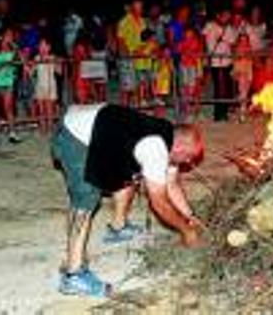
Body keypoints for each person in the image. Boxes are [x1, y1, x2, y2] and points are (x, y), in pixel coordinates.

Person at [50, 103, 205, 297]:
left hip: (102, 128)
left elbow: (171, 184)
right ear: (181, 147)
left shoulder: (168, 137)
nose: (188, 163)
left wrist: (190, 216)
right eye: (189, 158)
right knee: (86, 197)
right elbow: (160, 203)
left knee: (129, 176)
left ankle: (118, 228)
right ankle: (73, 275)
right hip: (75, 135)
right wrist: (186, 231)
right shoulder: (155, 146)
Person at [202, 10, 238, 121]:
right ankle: (218, 114)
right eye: (225, 15)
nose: (227, 18)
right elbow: (203, 39)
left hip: (227, 61)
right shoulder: (210, 25)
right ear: (218, 15)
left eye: (228, 16)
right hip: (214, 61)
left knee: (226, 88)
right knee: (219, 88)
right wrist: (205, 55)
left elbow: (233, 44)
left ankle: (224, 112)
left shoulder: (230, 29)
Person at [0, 28, 22, 144]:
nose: (9, 38)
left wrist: (17, 50)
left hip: (8, 81)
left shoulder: (14, 51)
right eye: (7, 35)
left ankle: (12, 132)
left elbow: (18, 62)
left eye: (11, 36)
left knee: (8, 107)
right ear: (2, 37)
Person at [117, 0, 147, 108]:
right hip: (127, 59)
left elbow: (144, 38)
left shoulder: (143, 21)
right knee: (127, 89)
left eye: (141, 7)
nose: (140, 9)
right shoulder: (124, 21)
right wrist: (128, 54)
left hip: (140, 58)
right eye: (137, 6)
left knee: (139, 86)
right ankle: (124, 112)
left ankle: (137, 111)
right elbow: (120, 40)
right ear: (132, 7)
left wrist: (144, 49)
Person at [31, 38, 61, 136]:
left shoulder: (53, 57)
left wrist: (56, 62)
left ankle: (50, 128)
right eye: (40, 46)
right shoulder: (36, 58)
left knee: (49, 110)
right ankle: (43, 129)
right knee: (41, 110)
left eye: (45, 46)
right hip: (40, 86)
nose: (43, 48)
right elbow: (31, 72)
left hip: (50, 85)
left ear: (49, 47)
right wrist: (29, 66)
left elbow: (59, 72)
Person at [179, 28, 203, 121]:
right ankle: (187, 111)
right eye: (187, 34)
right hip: (185, 67)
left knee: (196, 89)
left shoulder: (197, 42)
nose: (188, 36)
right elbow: (179, 50)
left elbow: (198, 54)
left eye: (190, 34)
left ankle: (197, 111)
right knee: (186, 89)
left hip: (195, 66)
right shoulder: (182, 42)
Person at [232, 33, 253, 120]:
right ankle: (242, 112)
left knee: (245, 92)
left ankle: (242, 111)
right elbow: (236, 61)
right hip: (241, 71)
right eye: (242, 40)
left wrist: (251, 74)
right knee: (242, 92)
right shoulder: (237, 49)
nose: (243, 42)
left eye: (245, 40)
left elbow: (250, 62)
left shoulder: (249, 48)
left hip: (248, 71)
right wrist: (236, 72)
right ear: (239, 41)